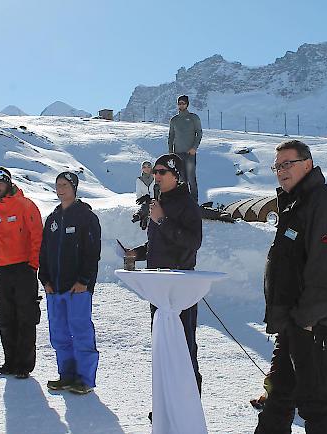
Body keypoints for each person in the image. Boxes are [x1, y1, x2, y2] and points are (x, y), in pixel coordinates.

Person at [255, 140, 327, 434]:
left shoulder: (323, 203)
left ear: (307, 164)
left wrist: (306, 320)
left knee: (315, 402)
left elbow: (326, 272)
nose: (281, 171)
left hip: (314, 323)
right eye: (277, 166)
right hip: (296, 319)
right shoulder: (297, 202)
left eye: (288, 164)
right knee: (280, 395)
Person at [127, 153, 204, 394]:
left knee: (182, 345)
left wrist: (161, 221)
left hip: (179, 286)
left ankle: (188, 401)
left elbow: (192, 242)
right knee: (163, 346)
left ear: (176, 175)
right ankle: (166, 401)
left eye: (161, 172)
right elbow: (158, 244)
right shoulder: (159, 202)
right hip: (158, 285)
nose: (156, 176)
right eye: (155, 172)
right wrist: (136, 253)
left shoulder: (187, 203)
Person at [40, 171, 102, 395]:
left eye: (65, 184)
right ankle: (66, 375)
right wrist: (44, 279)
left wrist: (84, 280)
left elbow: (92, 252)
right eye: (57, 184)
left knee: (81, 331)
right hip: (54, 288)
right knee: (59, 333)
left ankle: (85, 379)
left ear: (74, 187)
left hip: (78, 288)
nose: (60, 188)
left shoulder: (86, 217)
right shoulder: (53, 219)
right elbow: (44, 251)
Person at [0, 166, 43, 380]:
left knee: (25, 317)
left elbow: (37, 235)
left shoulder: (26, 206)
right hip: (2, 271)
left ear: (8, 183)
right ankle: (10, 361)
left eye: (0, 183)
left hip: (24, 269)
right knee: (6, 319)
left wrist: (32, 265)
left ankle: (24, 365)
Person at [168, 95, 202, 203]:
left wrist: (194, 148)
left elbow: (199, 133)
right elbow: (171, 136)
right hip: (178, 154)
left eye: (183, 103)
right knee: (182, 179)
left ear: (187, 104)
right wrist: (171, 152)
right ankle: (184, 201)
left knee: (191, 178)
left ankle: (194, 202)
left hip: (190, 153)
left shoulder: (193, 117)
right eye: (179, 103)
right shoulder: (174, 120)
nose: (181, 105)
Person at [133, 160, 155, 230]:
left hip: (156, 200)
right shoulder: (139, 180)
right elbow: (138, 194)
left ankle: (142, 216)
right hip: (146, 202)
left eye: (148, 167)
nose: (146, 169)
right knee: (145, 206)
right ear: (142, 169)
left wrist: (150, 198)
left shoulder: (156, 178)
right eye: (144, 167)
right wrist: (143, 198)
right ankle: (140, 216)